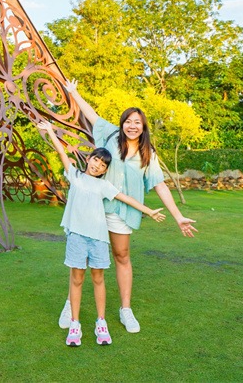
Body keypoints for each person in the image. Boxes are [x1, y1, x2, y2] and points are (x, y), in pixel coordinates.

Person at [58, 79, 198, 334]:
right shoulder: (110, 134)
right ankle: (70, 304)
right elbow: (91, 115)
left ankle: (125, 310)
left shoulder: (148, 153)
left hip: (121, 211)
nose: (132, 126)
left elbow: (160, 185)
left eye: (137, 122)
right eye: (128, 121)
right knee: (79, 259)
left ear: (143, 127)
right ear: (122, 124)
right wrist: (74, 92)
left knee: (121, 256)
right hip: (93, 208)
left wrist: (178, 216)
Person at [36, 121, 165, 347]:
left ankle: (101, 322)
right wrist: (49, 131)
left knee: (98, 278)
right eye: (95, 159)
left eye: (103, 164)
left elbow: (127, 199)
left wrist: (149, 211)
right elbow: (60, 152)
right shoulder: (74, 175)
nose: (97, 165)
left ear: (105, 170)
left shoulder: (103, 186)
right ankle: (75, 324)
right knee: (77, 279)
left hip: (98, 240)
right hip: (76, 238)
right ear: (88, 159)